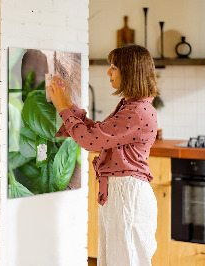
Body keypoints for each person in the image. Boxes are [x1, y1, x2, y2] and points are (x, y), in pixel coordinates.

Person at [47, 44, 159, 266]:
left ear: (130, 72)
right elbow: (98, 133)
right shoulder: (132, 106)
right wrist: (69, 104)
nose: (108, 72)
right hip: (122, 193)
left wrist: (62, 108)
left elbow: (90, 141)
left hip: (127, 196)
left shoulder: (136, 111)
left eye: (114, 67)